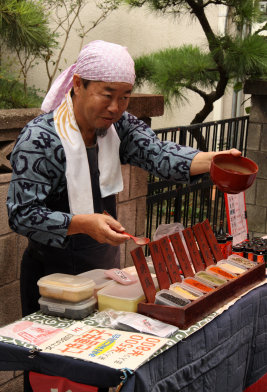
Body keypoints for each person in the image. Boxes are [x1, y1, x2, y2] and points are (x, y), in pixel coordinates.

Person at [7, 39, 241, 316]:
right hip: (52, 278)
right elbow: (21, 214)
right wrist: (82, 223)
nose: (116, 108)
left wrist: (214, 161)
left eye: (125, 96)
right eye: (107, 95)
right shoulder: (40, 138)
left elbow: (157, 153)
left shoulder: (118, 127)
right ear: (78, 84)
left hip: (105, 268)